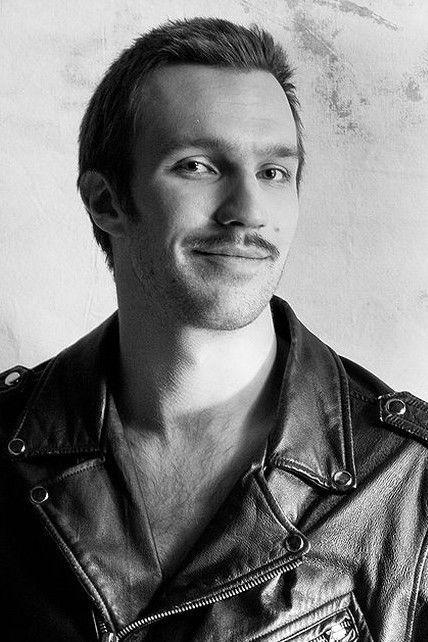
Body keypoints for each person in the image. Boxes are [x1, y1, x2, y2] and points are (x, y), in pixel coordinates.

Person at [0, 16, 427, 642]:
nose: (248, 212)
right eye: (199, 166)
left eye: (273, 172)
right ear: (105, 201)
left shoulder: (410, 483)